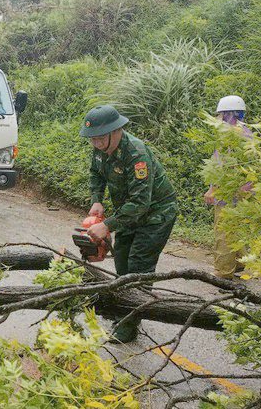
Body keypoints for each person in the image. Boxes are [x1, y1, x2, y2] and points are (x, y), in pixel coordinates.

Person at [80, 104, 177, 343]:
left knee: (138, 267)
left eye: (100, 137)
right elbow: (95, 173)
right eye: (92, 138)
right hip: (127, 213)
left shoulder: (136, 154)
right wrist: (97, 199)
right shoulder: (100, 149)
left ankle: (130, 323)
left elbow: (141, 203)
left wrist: (107, 225)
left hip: (155, 216)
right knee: (122, 263)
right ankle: (123, 309)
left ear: (116, 131)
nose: (96, 143)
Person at [203, 95, 251, 279]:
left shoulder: (228, 135)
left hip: (228, 190)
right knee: (235, 226)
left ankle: (223, 271)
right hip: (244, 190)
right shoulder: (246, 131)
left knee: (223, 230)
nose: (218, 118)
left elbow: (223, 166)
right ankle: (239, 262)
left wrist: (213, 189)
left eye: (221, 114)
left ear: (228, 114)